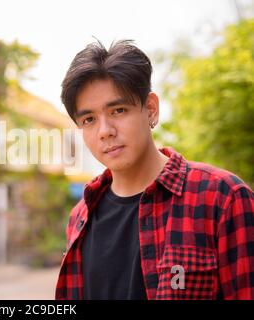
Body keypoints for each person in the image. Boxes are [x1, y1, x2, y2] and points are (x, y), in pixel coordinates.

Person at [55, 40, 254, 300]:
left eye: (118, 110)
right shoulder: (81, 216)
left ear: (150, 109)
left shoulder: (224, 198)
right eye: (89, 119)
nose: (105, 131)